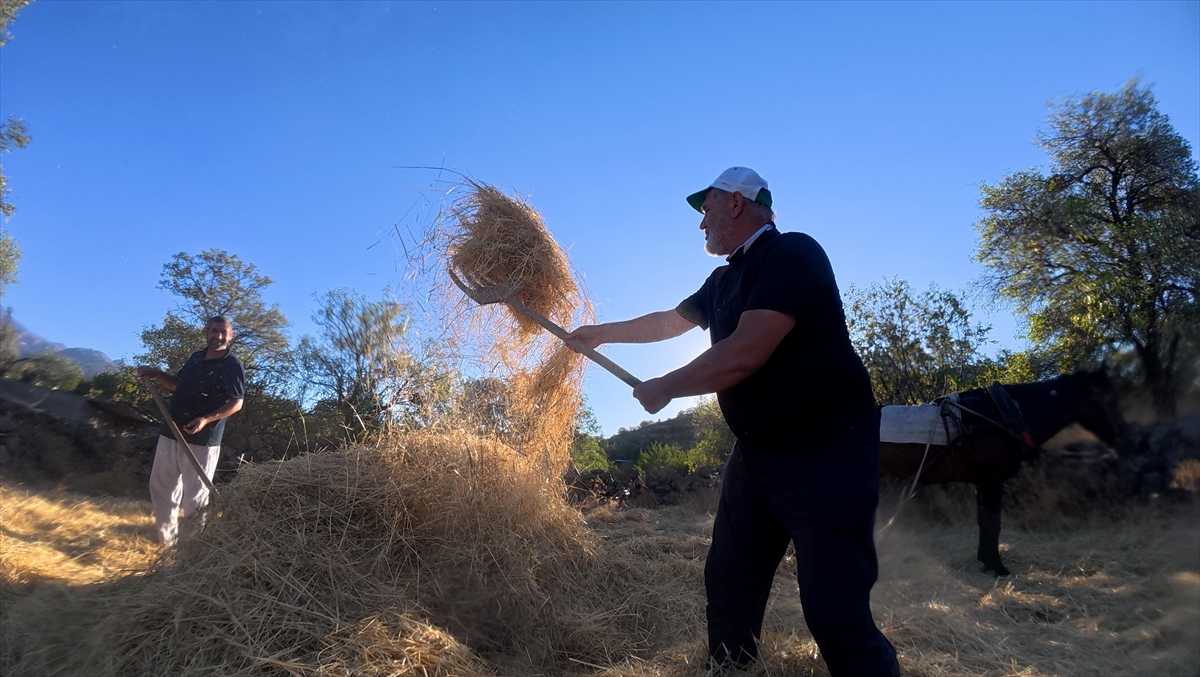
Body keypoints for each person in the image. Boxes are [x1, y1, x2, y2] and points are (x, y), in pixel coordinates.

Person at [566, 168, 899, 676]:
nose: (701, 225)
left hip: (825, 447)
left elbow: (746, 353)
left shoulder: (793, 254)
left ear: (737, 204)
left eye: (707, 210)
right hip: (756, 453)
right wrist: (599, 333)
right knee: (729, 586)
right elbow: (671, 322)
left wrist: (665, 387)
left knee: (834, 609)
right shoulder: (722, 279)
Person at [137, 315, 244, 546]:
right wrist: (156, 374)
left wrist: (205, 419)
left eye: (223, 332)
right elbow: (178, 385)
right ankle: (167, 545)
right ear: (206, 332)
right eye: (213, 330)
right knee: (162, 488)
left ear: (231, 335)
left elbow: (237, 402)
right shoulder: (196, 358)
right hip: (172, 431)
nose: (218, 335)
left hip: (202, 441)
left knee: (195, 498)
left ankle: (190, 552)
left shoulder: (232, 365)